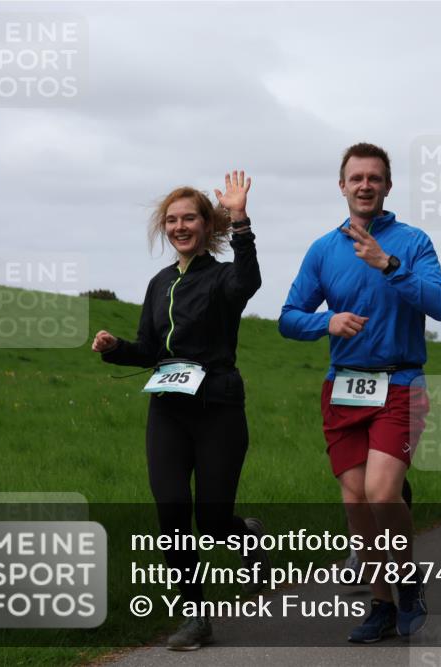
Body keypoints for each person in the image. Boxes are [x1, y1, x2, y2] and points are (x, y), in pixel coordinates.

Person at [279, 143, 441, 643]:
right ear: (342, 186)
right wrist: (325, 321)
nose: (365, 185)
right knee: (357, 502)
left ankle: (407, 582)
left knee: (381, 492)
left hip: (400, 382)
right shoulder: (322, 249)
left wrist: (389, 264)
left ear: (387, 187)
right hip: (344, 386)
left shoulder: (413, 242)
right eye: (356, 178)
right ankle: (380, 605)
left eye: (374, 178)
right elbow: (288, 318)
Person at [92, 172, 265, 650]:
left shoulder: (224, 276)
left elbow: (249, 280)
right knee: (171, 511)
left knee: (211, 521)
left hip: (218, 407)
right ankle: (195, 617)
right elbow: (150, 348)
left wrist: (243, 221)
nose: (180, 226)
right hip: (168, 408)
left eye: (189, 217)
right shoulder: (159, 283)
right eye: (172, 220)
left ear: (208, 225)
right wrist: (114, 347)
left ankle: (245, 535)